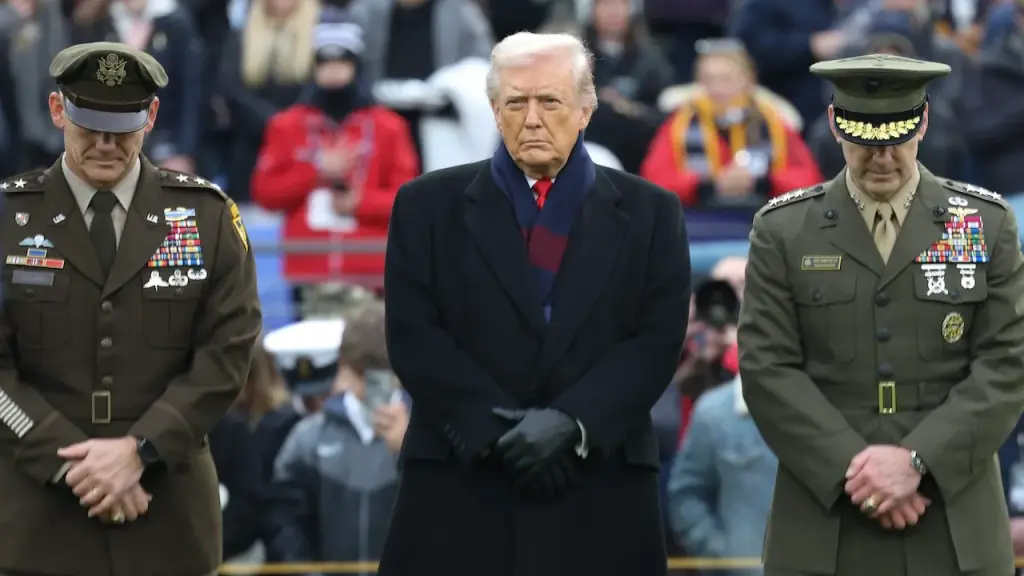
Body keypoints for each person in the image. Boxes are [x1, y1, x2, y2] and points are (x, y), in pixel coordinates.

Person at [379, 31, 691, 576]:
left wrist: (573, 424)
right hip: (461, 479)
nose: (532, 118)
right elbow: (413, 334)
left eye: (550, 101)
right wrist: (497, 432)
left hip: (600, 481)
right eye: (515, 102)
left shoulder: (652, 212)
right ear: (495, 111)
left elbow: (656, 341)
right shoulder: (426, 205)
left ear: (586, 110)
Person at [738, 53, 1024, 576]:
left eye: (896, 140)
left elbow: (1007, 364)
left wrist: (917, 461)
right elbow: (767, 367)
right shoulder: (784, 230)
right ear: (833, 125)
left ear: (925, 123)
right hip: (825, 525)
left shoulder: (986, 223)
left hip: (953, 522)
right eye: (863, 143)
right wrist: (857, 468)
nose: (882, 159)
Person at [0, 42, 262, 576]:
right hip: (35, 520)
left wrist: (141, 450)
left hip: (166, 516)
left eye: (122, 127)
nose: (104, 143)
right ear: (56, 111)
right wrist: (74, 464)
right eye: (88, 124)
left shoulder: (206, 217)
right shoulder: (7, 216)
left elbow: (227, 356)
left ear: (153, 117)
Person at [266, 301, 409, 571]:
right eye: (364, 375)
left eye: (385, 374)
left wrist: (409, 452)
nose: (374, 387)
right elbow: (285, 521)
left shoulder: (428, 436)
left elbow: (449, 518)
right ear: (344, 367)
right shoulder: (308, 439)